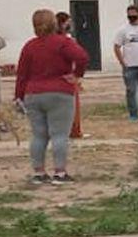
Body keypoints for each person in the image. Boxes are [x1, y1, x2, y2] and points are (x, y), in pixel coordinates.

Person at [15, 9, 89, 185]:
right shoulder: (63, 42)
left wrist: (19, 96)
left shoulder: (29, 46)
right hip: (60, 92)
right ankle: (60, 173)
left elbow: (22, 74)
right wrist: (77, 74)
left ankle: (39, 173)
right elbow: (82, 57)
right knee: (59, 135)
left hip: (33, 93)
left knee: (38, 135)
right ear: (54, 23)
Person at [55, 12, 83, 139]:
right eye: (68, 22)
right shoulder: (57, 39)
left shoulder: (70, 38)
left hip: (69, 74)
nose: (70, 25)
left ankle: (74, 130)